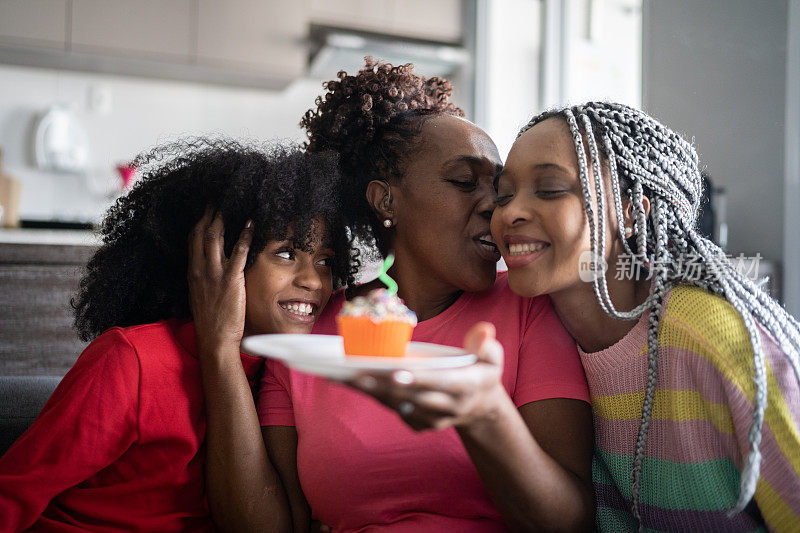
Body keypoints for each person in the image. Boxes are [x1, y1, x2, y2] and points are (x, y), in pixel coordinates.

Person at [195, 58, 594, 532]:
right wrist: (219, 352)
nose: (495, 207)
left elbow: (569, 521)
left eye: (500, 189)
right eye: (465, 181)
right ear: (386, 200)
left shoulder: (529, 307)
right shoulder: (311, 330)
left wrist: (485, 414)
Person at [0, 139, 352, 532]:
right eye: (286, 253)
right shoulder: (130, 361)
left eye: (325, 261)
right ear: (216, 257)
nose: (313, 280)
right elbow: (13, 492)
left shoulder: (283, 377)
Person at [491, 101, 800, 531]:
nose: (510, 213)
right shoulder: (531, 324)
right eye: (503, 195)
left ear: (633, 212)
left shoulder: (709, 333)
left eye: (549, 188)